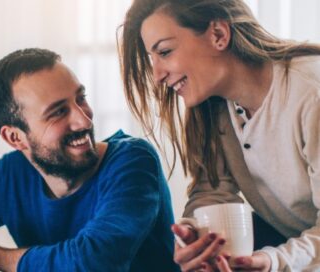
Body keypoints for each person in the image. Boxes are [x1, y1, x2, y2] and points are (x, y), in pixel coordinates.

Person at [0, 48, 179, 271]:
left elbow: (96, 261)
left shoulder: (132, 162)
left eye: (81, 98)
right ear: (15, 138)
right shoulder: (10, 176)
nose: (83, 119)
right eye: (58, 112)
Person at [120, 0, 320, 271]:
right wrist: (194, 237)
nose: (157, 75)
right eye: (151, 59)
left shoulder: (311, 93)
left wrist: (273, 260)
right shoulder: (217, 106)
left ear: (218, 35)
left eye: (165, 52)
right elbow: (214, 191)